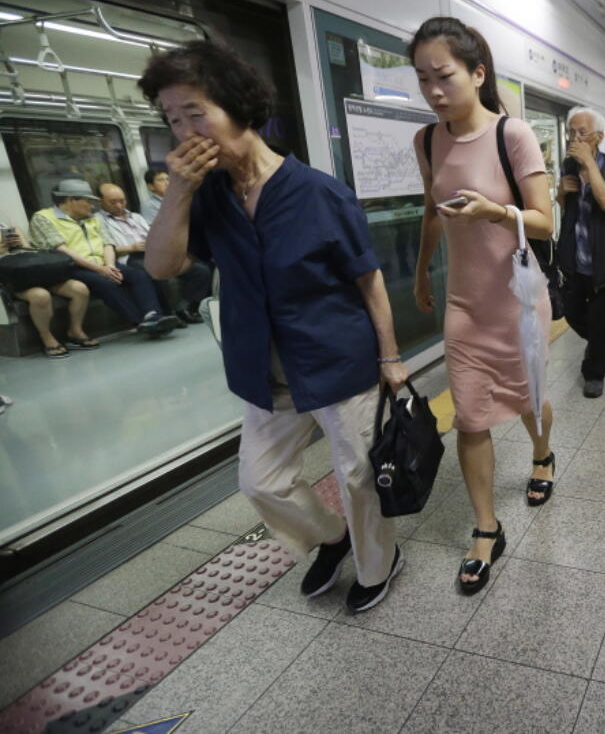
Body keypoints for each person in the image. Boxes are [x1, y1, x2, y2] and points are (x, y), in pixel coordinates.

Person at [139, 40, 408, 614]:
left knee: (359, 477)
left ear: (236, 107)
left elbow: (370, 281)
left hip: (339, 361)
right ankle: (332, 539)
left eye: (194, 112)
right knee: (261, 481)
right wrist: (179, 192)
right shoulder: (207, 196)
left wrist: (390, 358)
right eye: (171, 119)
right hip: (264, 370)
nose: (184, 130)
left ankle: (379, 563)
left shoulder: (319, 193)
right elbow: (161, 266)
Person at [409, 16, 557, 593]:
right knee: (470, 416)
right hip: (465, 304)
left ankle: (542, 455)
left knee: (528, 399)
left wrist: (494, 211)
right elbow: (430, 212)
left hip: (518, 302)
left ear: (477, 72)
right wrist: (423, 270)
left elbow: (545, 223)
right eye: (422, 79)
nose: (433, 91)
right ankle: (486, 529)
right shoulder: (426, 139)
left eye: (443, 76)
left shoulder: (511, 135)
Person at [29, 179, 178, 338]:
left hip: (102, 263)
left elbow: (108, 243)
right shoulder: (43, 218)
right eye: (87, 201)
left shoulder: (94, 218)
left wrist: (109, 265)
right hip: (70, 267)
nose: (92, 206)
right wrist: (101, 270)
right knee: (105, 283)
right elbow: (62, 251)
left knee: (138, 275)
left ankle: (152, 315)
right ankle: (141, 321)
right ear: (71, 200)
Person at [556, 107, 605, 399]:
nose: (574, 138)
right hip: (574, 259)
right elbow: (564, 207)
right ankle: (599, 342)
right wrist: (561, 192)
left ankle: (594, 372)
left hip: (603, 261)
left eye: (581, 133)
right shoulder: (567, 166)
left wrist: (590, 166)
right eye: (571, 132)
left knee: (602, 319)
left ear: (598, 137)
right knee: (570, 312)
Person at [97, 182, 210, 325]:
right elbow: (103, 248)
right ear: (100, 201)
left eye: (122, 201)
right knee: (155, 271)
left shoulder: (136, 217)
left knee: (199, 270)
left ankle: (185, 307)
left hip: (153, 252)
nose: (119, 206)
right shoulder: (99, 221)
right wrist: (131, 247)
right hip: (130, 257)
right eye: (113, 202)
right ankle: (167, 314)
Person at [0, 222, 94, 357]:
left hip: (33, 270)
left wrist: (19, 244)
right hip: (13, 279)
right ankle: (46, 336)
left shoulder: (4, 225)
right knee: (41, 296)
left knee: (79, 289)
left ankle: (75, 330)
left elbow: (28, 250)